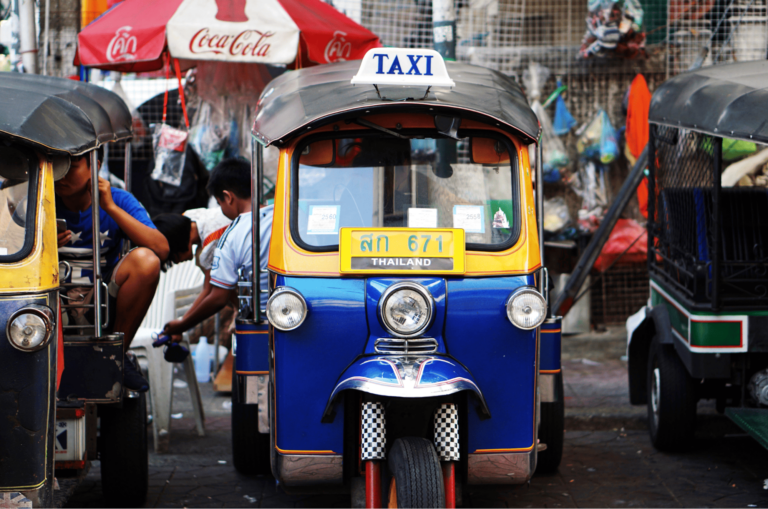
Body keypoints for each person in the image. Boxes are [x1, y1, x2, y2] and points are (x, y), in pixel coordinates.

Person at [56, 149, 169, 392]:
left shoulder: (118, 199)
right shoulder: (37, 201)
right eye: (56, 165)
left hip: (103, 299)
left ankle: (117, 353)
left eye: (71, 165)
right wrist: (41, 245)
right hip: (49, 301)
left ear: (94, 166)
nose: (61, 175)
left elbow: (161, 249)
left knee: (146, 261)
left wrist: (109, 207)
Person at [162, 158, 272, 337]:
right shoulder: (284, 214)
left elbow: (218, 296)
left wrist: (183, 325)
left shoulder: (229, 237)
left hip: (263, 321)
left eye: (220, 204)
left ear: (228, 197)